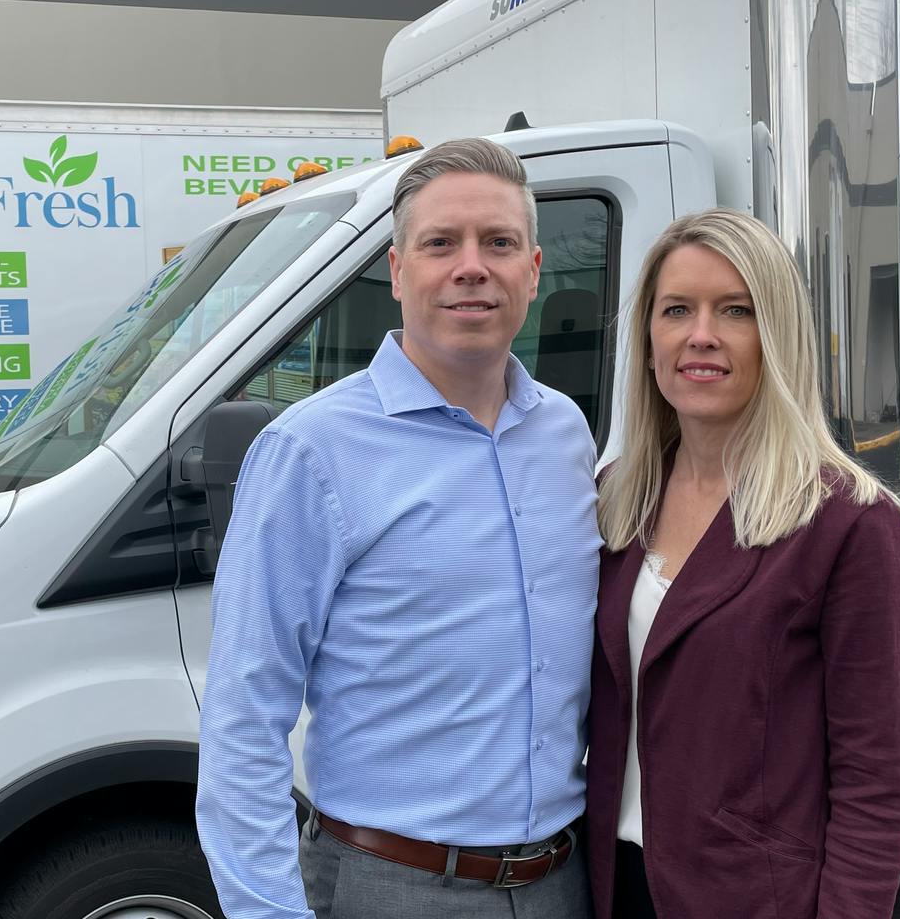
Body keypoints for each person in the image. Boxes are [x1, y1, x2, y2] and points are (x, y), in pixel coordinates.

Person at [196, 138, 603, 919]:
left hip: (563, 884)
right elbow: (244, 721)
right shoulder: (311, 452)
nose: (472, 266)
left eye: (500, 243)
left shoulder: (564, 435)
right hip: (394, 888)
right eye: (441, 243)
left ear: (534, 269)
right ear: (396, 270)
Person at [587, 210, 900, 919]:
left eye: (735, 310)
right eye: (676, 309)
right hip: (614, 888)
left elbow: (873, 782)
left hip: (752, 899)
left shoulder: (851, 524)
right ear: (648, 341)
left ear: (778, 337)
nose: (700, 334)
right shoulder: (615, 499)